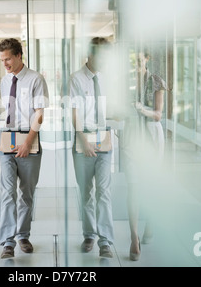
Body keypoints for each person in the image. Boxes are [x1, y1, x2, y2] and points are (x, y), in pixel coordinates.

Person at [0, 38, 49, 259]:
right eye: (2, 59)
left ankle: (23, 236)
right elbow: (6, 109)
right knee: (8, 192)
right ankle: (8, 242)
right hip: (7, 140)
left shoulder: (36, 79)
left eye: (8, 58)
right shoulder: (5, 80)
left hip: (30, 140)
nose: (5, 63)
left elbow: (40, 114)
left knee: (26, 193)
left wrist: (27, 142)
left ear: (19, 55)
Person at [69, 37, 114, 258]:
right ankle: (89, 235)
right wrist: (84, 140)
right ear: (90, 55)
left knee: (104, 192)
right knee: (86, 191)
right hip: (83, 140)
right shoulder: (76, 78)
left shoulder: (108, 78)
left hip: (104, 140)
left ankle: (105, 241)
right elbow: (74, 113)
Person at [127, 48, 166, 261]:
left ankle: (150, 224)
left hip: (151, 135)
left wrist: (141, 109)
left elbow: (158, 115)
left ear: (147, 59)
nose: (135, 64)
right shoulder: (127, 83)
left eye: (138, 59)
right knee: (133, 187)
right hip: (133, 136)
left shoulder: (156, 81)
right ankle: (134, 239)